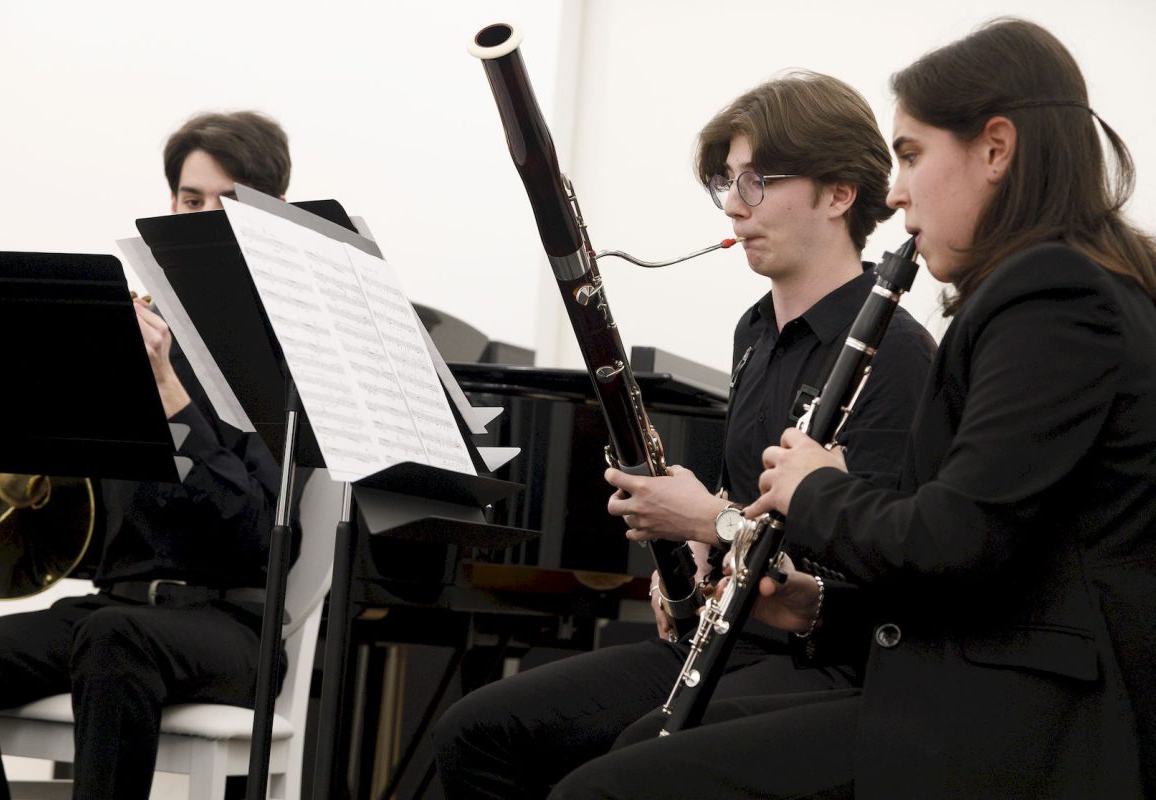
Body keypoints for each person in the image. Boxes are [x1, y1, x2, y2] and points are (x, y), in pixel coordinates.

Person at [550, 18, 1156, 799]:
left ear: (996, 149)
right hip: (974, 681)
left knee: (604, 790)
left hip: (1020, 719)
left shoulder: (1051, 295)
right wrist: (816, 608)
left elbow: (951, 538)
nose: (895, 192)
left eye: (911, 155)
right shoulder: (1070, 286)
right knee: (636, 750)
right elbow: (995, 559)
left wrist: (814, 490)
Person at [432, 73, 936, 799]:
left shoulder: (899, 356)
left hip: (820, 664)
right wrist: (701, 551)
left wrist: (711, 520)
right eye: (728, 182)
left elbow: (873, 561)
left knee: (625, 764)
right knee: (476, 731)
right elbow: (753, 497)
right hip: (726, 638)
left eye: (758, 181)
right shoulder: (753, 334)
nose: (734, 205)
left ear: (838, 194)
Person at [0, 110, 292, 799]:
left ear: (270, 214)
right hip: (113, 608)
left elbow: (258, 535)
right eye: (190, 201)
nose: (199, 220)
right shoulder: (132, 329)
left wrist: (170, 392)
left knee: (115, 636)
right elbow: (90, 527)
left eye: (224, 203)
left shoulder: (281, 357)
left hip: (230, 624)